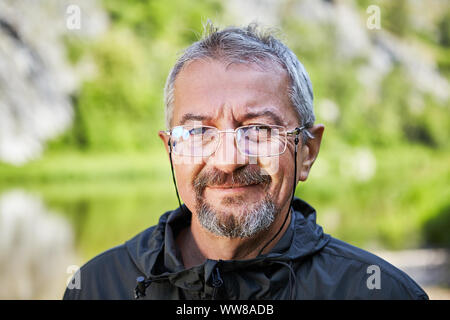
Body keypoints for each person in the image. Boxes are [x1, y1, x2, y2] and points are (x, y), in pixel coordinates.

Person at [63, 22, 428, 300]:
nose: (228, 160)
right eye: (199, 133)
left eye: (258, 130)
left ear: (307, 151)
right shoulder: (99, 287)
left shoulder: (380, 293)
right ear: (171, 151)